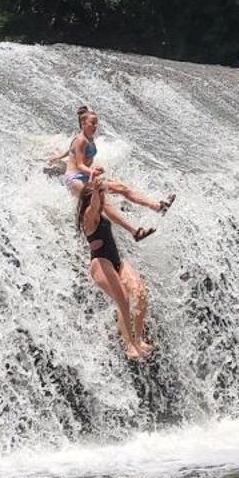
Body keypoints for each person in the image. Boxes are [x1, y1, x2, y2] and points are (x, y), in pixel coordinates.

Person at [78, 176, 154, 359]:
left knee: (139, 292)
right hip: (100, 262)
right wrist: (96, 191)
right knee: (123, 299)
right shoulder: (88, 217)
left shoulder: (102, 211)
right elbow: (95, 204)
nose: (104, 199)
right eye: (100, 196)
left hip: (117, 260)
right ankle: (129, 345)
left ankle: (138, 339)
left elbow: (102, 203)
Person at [60, 107, 175, 215]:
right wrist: (92, 171)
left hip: (86, 176)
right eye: (93, 123)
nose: (95, 126)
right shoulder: (81, 140)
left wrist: (59, 157)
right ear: (83, 124)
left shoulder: (89, 137)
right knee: (101, 202)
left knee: (122, 188)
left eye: (96, 123)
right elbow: (79, 164)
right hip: (76, 179)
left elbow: (73, 150)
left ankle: (158, 207)